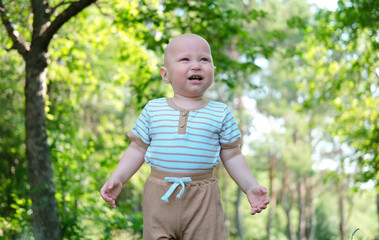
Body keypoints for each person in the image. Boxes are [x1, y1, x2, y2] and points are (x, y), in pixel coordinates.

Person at [100, 33, 270, 240]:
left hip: (203, 199)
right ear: (165, 74)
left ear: (213, 72)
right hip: (160, 195)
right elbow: (137, 149)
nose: (196, 65)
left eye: (204, 59)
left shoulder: (220, 112)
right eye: (185, 59)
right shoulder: (154, 109)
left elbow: (233, 155)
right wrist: (118, 178)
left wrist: (250, 186)